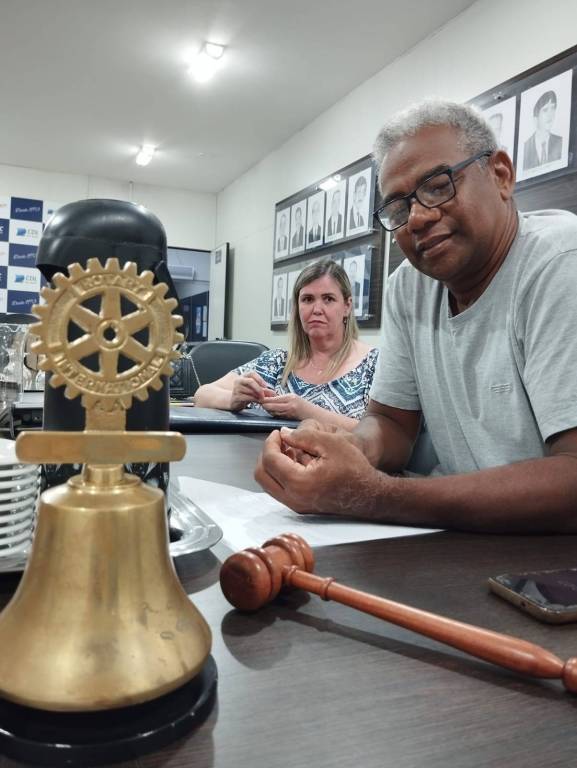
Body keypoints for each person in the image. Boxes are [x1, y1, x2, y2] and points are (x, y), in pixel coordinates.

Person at [255, 99, 577, 534]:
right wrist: (348, 450)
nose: (419, 218)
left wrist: (370, 495)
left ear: (501, 175)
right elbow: (392, 423)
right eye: (399, 207)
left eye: (438, 186)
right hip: (457, 539)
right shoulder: (409, 285)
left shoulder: (561, 262)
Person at [194, 259, 378, 430]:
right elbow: (202, 395)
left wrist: (306, 412)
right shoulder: (276, 363)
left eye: (328, 299)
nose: (317, 309)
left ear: (347, 306)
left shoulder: (373, 366)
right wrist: (233, 398)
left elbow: (379, 436)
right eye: (307, 299)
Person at [523, 90, 563, 170]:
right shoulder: (525, 148)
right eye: (545, 110)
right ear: (535, 118)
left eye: (553, 108)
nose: (550, 114)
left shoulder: (561, 142)